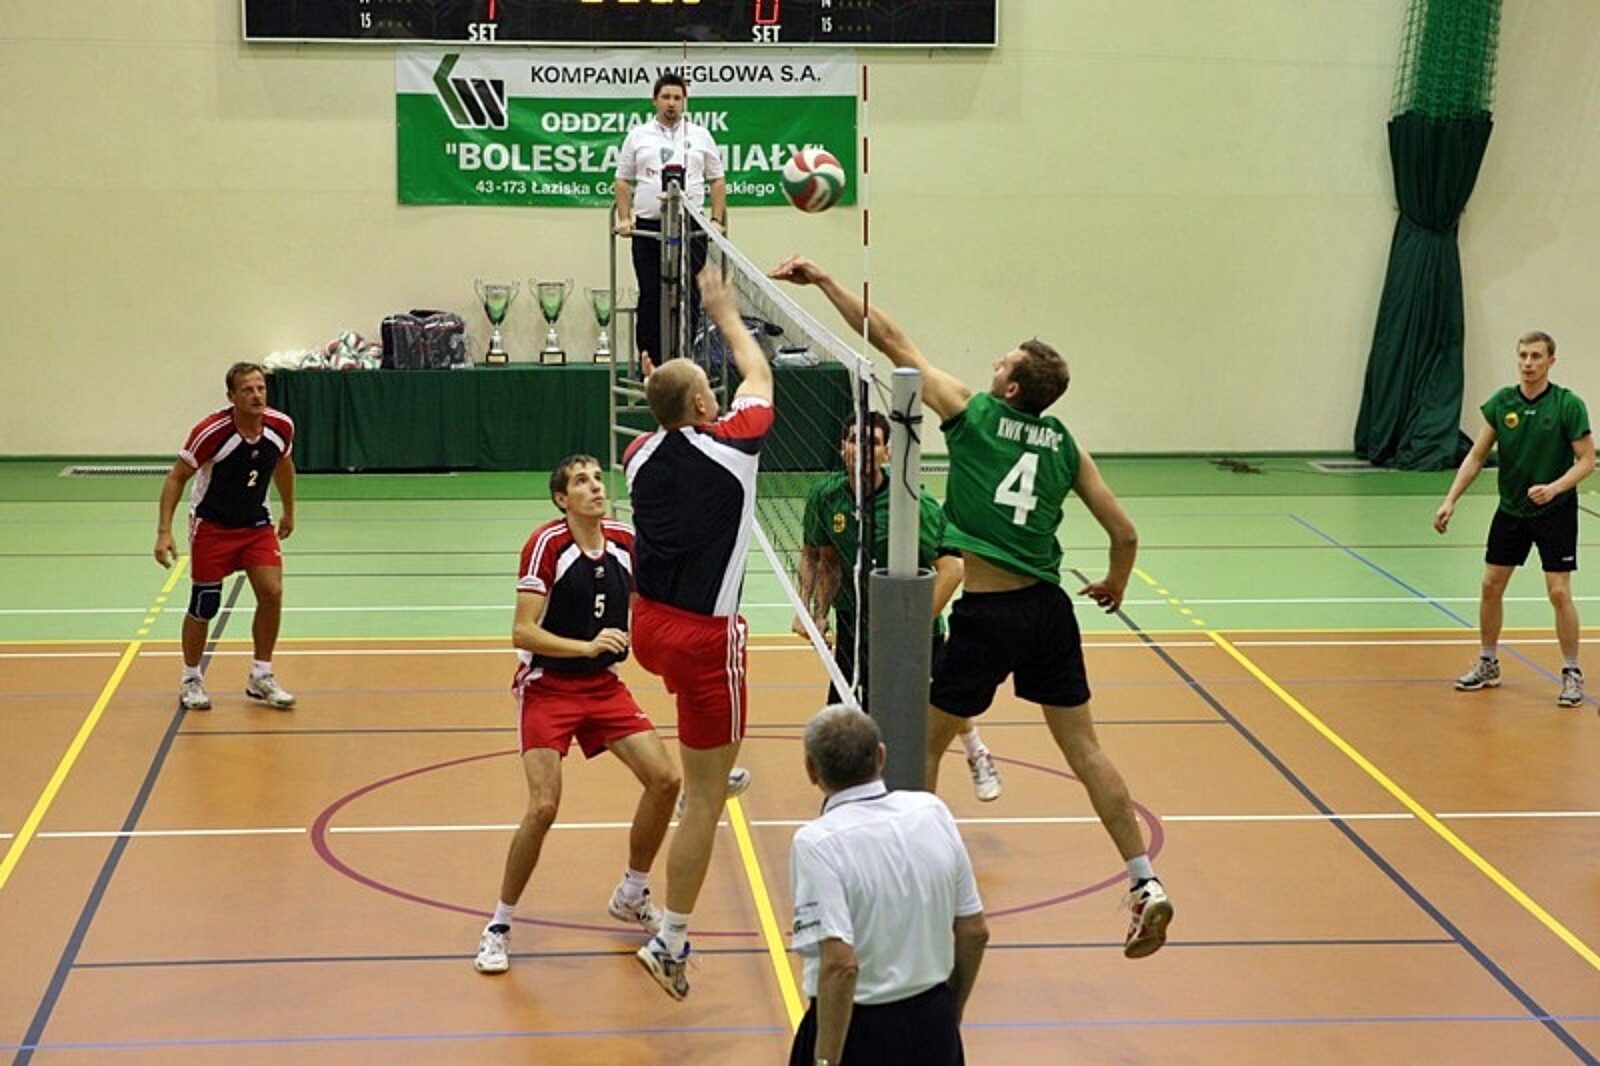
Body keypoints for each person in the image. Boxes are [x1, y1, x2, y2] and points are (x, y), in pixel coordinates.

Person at [772, 256, 1174, 959]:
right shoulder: (1065, 444)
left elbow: (890, 340)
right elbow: (1126, 533)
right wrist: (1115, 584)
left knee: (922, 743)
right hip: (1049, 610)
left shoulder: (974, 416)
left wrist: (828, 282)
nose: (992, 365)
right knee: (1085, 750)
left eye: (1002, 362)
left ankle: (915, 886)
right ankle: (1144, 880)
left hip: (989, 616)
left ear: (1010, 386)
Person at [624, 266, 774, 999]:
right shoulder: (735, 445)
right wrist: (724, 311)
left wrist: (670, 387)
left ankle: (712, 772)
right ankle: (671, 940)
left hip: (646, 627)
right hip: (706, 640)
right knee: (706, 799)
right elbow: (759, 373)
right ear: (705, 404)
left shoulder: (637, 455)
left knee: (712, 753)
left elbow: (672, 411)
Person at [473, 455, 683, 975]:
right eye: (581, 481)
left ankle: (632, 893)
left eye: (597, 479)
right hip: (547, 687)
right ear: (562, 499)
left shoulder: (625, 541)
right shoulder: (547, 545)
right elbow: (522, 631)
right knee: (544, 806)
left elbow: (654, 600)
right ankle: (498, 925)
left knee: (666, 779)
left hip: (603, 687)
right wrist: (587, 646)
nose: (595, 487)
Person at [796, 412, 1003, 801]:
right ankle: (853, 798)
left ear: (887, 453)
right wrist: (813, 612)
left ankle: (976, 751)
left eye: (873, 443)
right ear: (842, 448)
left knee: (939, 706)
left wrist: (909, 627)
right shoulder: (826, 497)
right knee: (844, 720)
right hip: (855, 625)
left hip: (913, 629)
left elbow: (953, 568)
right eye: (855, 440)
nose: (863, 450)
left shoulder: (912, 503)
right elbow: (822, 559)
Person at [788, 705, 988, 1066]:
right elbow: (974, 931)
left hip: (858, 1030)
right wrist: (948, 1012)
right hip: (933, 1022)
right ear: (881, 756)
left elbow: (840, 965)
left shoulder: (817, 842)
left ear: (810, 769)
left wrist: (825, 1060)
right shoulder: (932, 811)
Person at [1433, 330, 1595, 708]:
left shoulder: (1568, 405)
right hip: (1511, 510)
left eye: (1536, 356)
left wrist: (1555, 488)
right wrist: (1450, 499)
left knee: (1559, 592)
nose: (1528, 363)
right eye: (1523, 356)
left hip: (1555, 512)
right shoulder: (1502, 403)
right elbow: (1476, 456)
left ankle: (1572, 672)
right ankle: (1488, 662)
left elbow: (1587, 460)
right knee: (1491, 585)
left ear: (1551, 361)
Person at [153, 362, 297, 712]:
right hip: (212, 525)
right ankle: (191, 678)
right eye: (247, 390)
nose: (256, 395)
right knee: (206, 604)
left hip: (256, 523)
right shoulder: (211, 432)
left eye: (261, 388)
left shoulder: (280, 426)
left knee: (272, 592)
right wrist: (164, 531)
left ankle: (261, 675)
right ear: (231, 396)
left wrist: (289, 511)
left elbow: (284, 465)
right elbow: (176, 477)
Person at [613, 72, 728, 365]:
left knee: (690, 296)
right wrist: (625, 218)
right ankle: (650, 364)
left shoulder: (700, 135)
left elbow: (717, 180)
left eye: (677, 97)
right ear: (655, 100)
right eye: (666, 97)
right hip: (649, 230)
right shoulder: (638, 136)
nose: (671, 103)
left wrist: (716, 220)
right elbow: (622, 181)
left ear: (684, 101)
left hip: (691, 229)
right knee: (651, 294)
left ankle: (685, 363)